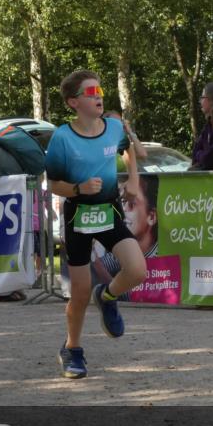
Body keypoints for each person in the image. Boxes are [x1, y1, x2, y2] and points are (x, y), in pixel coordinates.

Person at [44, 71, 146, 379]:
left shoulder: (113, 127)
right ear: (74, 102)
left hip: (109, 211)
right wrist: (78, 189)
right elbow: (53, 184)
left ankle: (108, 296)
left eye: (100, 90)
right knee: (79, 291)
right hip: (77, 215)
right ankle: (72, 349)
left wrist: (134, 181)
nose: (99, 95)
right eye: (91, 91)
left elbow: (130, 150)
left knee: (137, 269)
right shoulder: (62, 137)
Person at [92, 175, 159, 300]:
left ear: (151, 217)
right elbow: (96, 269)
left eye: (132, 205)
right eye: (122, 202)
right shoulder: (122, 248)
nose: (123, 210)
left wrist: (97, 265)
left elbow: (133, 295)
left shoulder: (160, 256)